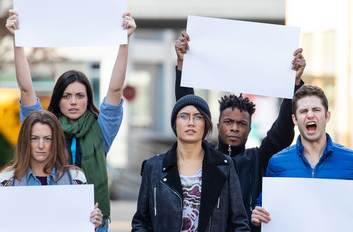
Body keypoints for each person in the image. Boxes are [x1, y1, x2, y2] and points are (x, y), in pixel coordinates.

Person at [5, 9, 136, 231]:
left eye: (80, 95)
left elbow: (115, 89)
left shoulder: (100, 129)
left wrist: (125, 40)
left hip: (93, 220)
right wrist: (18, 39)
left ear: (88, 99)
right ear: (58, 99)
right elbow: (26, 89)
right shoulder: (44, 126)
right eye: (67, 96)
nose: (73, 102)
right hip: (48, 216)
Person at [174, 31, 306, 229]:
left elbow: (282, 132)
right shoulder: (203, 156)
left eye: (242, 124)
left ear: (249, 128)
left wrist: (293, 83)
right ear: (218, 125)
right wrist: (182, 65)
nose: (235, 128)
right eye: (229, 122)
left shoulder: (257, 159)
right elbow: (187, 111)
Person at [131, 94, 250, 231]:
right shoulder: (153, 167)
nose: (191, 122)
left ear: (206, 124)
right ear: (175, 123)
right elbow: (140, 223)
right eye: (184, 116)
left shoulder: (224, 166)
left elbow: (239, 224)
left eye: (198, 117)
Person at [251, 85, 353, 227]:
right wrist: (257, 215)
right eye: (303, 111)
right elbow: (265, 210)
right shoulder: (277, 163)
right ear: (294, 119)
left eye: (316, 110)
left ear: (327, 116)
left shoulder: (350, 161)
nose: (310, 115)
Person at [0, 110, 103, 229]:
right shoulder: (6, 180)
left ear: (55, 141)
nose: (41, 145)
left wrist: (93, 222)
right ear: (25, 141)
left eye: (47, 139)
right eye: (34, 138)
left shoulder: (76, 178)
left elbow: (81, 225)